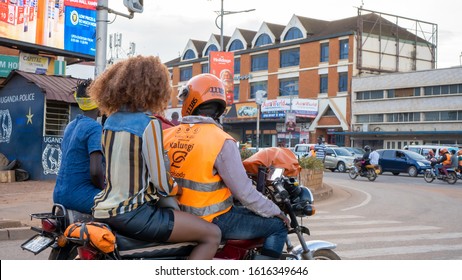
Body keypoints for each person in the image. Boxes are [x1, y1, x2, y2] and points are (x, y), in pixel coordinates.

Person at [88, 56, 221, 260]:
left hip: (103, 209)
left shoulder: (110, 121)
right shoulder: (148, 123)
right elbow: (161, 182)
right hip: (134, 214)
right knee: (212, 234)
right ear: (154, 88)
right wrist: (177, 188)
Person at [163, 73, 289, 260]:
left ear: (189, 101)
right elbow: (245, 193)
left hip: (178, 216)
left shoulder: (168, 135)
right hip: (211, 219)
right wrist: (276, 211)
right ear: (219, 108)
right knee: (278, 227)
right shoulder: (221, 140)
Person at [53, 79, 105, 214]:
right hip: (80, 196)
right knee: (121, 206)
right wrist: (105, 190)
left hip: (59, 194)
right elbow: (95, 171)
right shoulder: (95, 128)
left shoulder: (71, 126)